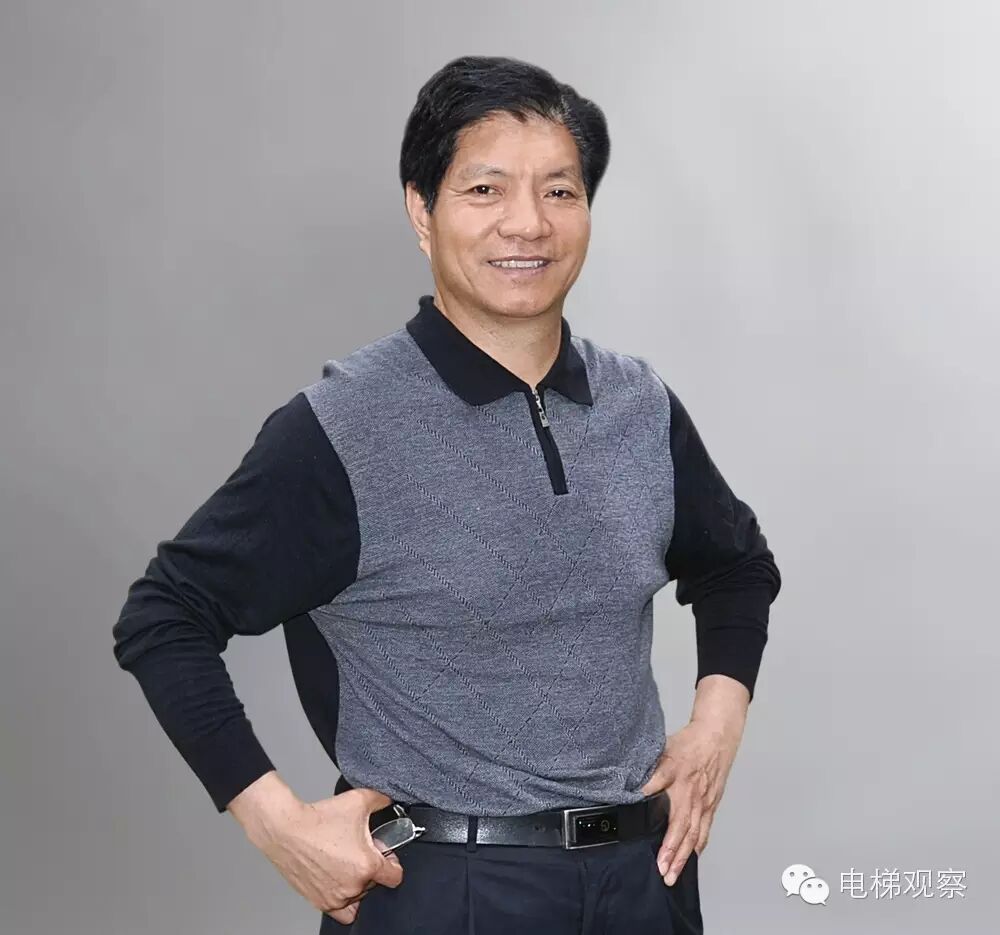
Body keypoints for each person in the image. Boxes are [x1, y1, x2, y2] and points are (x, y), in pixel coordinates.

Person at [112, 54, 781, 934]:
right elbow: (164, 615)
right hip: (444, 886)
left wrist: (716, 726)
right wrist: (279, 825)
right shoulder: (346, 426)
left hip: (644, 880)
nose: (527, 223)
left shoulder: (638, 405)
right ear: (421, 211)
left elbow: (736, 565)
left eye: (560, 190)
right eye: (485, 190)